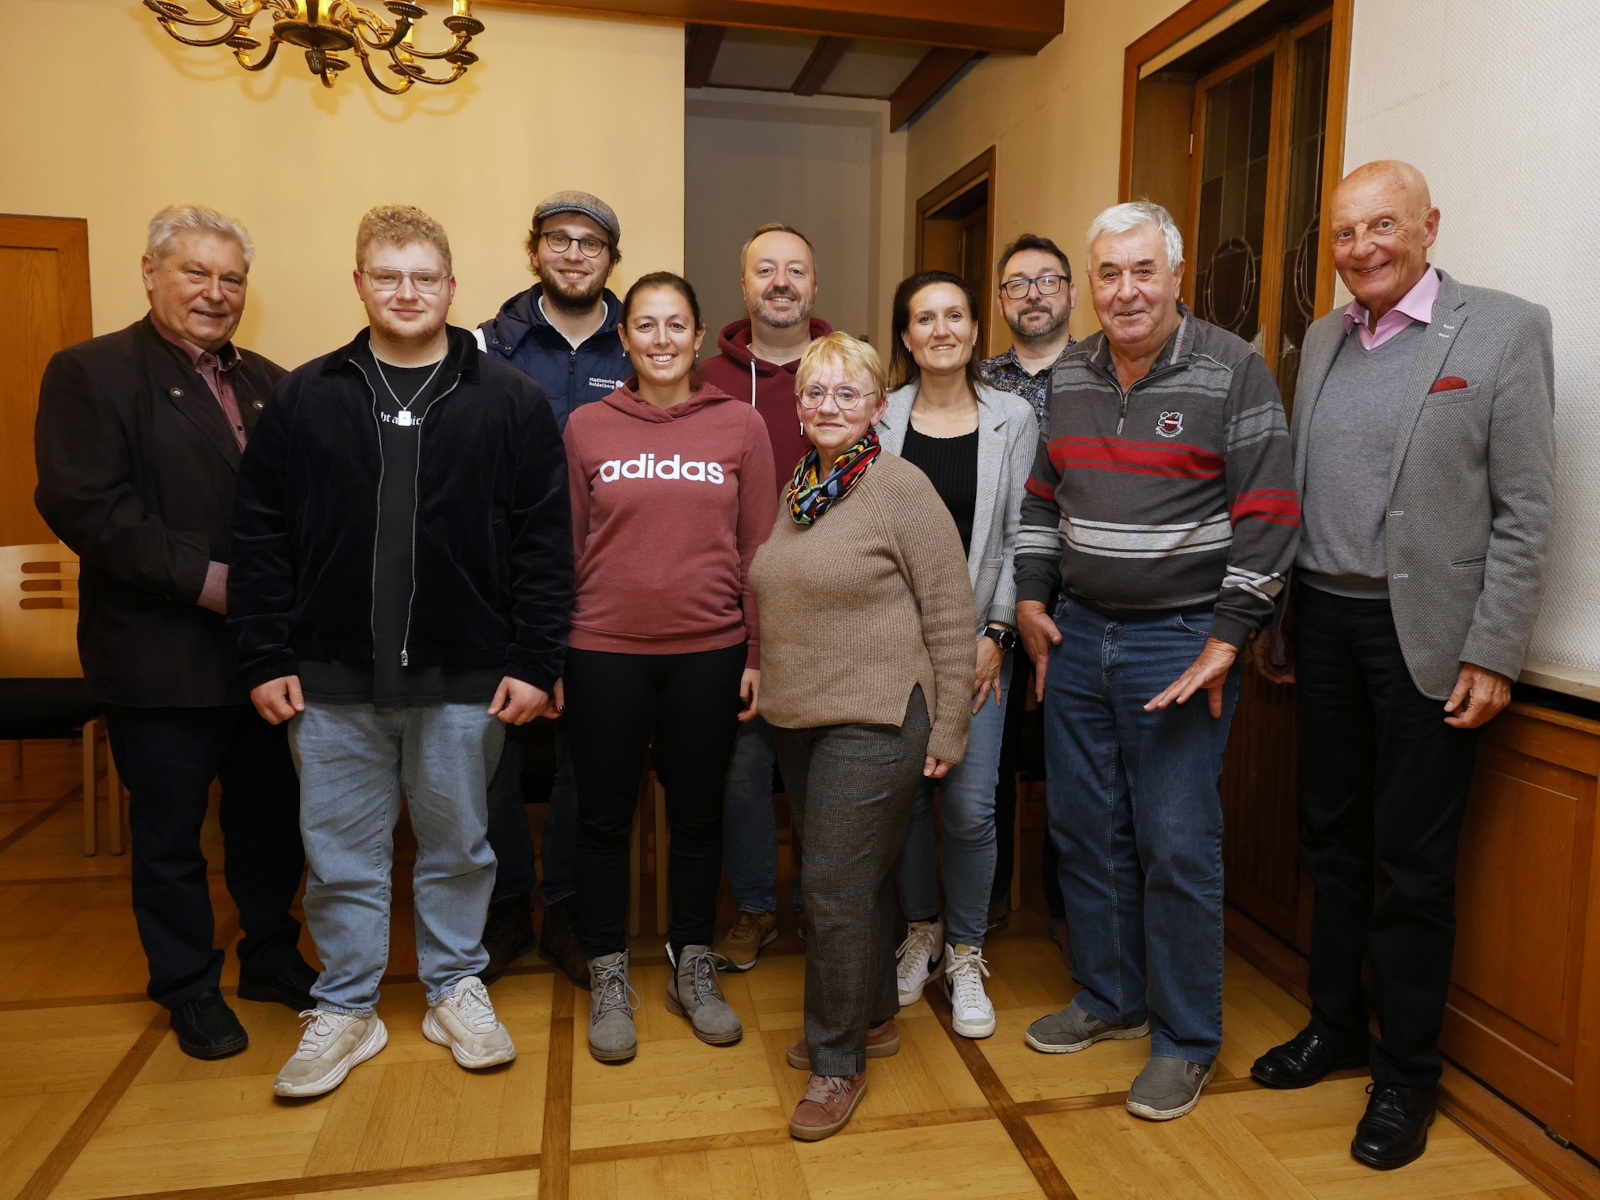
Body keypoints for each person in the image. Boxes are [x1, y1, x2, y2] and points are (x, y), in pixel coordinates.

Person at [1249, 161, 1556, 1170]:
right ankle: (1333, 1026)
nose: (1362, 248)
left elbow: (1524, 512)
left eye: (1382, 225)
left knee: (1413, 868)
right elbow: (1300, 484)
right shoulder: (1325, 337)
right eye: (1342, 234)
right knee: (1329, 842)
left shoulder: (1503, 330)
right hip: (1323, 625)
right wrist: (1281, 619)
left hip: (1427, 640)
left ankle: (1404, 1075)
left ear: (1428, 225)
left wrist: (1494, 649)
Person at [230, 205, 572, 1098]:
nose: (407, 292)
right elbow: (261, 538)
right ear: (360, 284)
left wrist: (536, 662)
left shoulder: (510, 399)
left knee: (462, 846)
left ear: (452, 286)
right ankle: (346, 1005)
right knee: (340, 853)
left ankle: (454, 985)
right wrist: (265, 655)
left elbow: (544, 544)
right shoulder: (307, 396)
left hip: (467, 675)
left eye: (424, 276)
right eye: (388, 276)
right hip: (330, 676)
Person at [1016, 201, 1299, 1122]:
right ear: (1088, 284)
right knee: (1084, 832)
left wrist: (1228, 639)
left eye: (1144, 271)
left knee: (1177, 847)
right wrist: (1028, 598)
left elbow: (1269, 517)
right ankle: (1110, 996)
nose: (1125, 290)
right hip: (1076, 632)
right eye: (1109, 274)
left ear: (1176, 276)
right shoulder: (1068, 374)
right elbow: (1039, 502)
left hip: (1181, 644)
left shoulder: (1232, 368)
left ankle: (1184, 1040)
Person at [34, 205, 313, 1061]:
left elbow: (305, 505)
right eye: (196, 273)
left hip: (264, 659)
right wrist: (214, 582)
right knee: (169, 838)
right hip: (159, 656)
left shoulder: (274, 380)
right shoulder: (91, 372)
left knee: (271, 826)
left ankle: (270, 956)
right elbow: (89, 509)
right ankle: (189, 986)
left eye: (231, 279)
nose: (215, 293)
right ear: (150, 272)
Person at [751, 331, 975, 1140]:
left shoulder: (901, 487)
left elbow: (952, 613)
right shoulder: (801, 488)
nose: (829, 406)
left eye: (849, 393)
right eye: (816, 392)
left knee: (834, 891)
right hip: (799, 715)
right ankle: (874, 1015)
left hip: (880, 714)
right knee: (854, 878)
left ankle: (837, 1062)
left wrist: (949, 723)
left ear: (879, 405)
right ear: (799, 405)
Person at [562, 272, 776, 1064]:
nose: (659, 339)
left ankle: (692, 965)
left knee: (696, 816)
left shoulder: (740, 425)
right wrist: (555, 654)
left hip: (709, 652)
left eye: (674, 325)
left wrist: (755, 651)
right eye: (644, 325)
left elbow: (759, 549)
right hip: (602, 652)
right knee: (602, 818)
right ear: (625, 338)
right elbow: (569, 546)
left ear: (696, 337)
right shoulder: (587, 426)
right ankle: (610, 970)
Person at [475, 191, 631, 988]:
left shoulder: (638, 347)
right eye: (558, 240)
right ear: (533, 250)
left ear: (611, 260)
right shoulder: (485, 347)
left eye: (591, 243)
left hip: (606, 592)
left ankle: (567, 906)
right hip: (503, 591)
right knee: (492, 754)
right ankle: (505, 904)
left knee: (587, 758)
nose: (574, 254)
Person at [877, 270, 1034, 1039]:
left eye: (955, 316)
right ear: (905, 337)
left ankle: (967, 952)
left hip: (977, 649)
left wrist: (995, 636)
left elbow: (1017, 538)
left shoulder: (1013, 418)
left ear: (976, 331)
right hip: (893, 652)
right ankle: (922, 932)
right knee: (905, 805)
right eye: (923, 318)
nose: (940, 330)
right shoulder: (880, 417)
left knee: (970, 810)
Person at [699, 223, 832, 971]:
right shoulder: (702, 381)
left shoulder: (847, 371)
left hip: (830, 615)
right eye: (766, 270)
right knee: (743, 771)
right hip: (734, 612)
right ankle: (754, 907)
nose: (781, 282)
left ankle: (820, 907)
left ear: (814, 285)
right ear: (744, 285)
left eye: (796, 271)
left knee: (819, 770)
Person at [979, 233, 1078, 952]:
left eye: (1048, 280)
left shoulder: (1108, 374)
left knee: (1076, 765)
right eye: (1018, 283)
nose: (1034, 293)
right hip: (997, 599)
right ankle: (979, 909)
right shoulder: (978, 382)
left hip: (1087, 595)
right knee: (992, 758)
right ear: (1002, 300)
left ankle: (1073, 913)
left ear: (1071, 291)